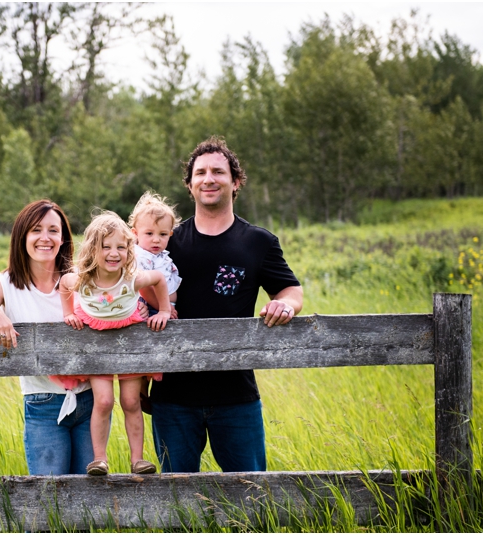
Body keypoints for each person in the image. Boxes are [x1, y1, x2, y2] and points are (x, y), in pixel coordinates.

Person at [147, 136, 303, 473]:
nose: (209, 178)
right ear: (189, 185)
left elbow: (290, 290)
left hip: (236, 396)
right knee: (176, 501)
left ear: (236, 181)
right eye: (200, 172)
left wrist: (285, 305)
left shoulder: (258, 242)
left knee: (251, 496)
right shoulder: (167, 242)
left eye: (218, 171)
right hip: (173, 396)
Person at [0, 200, 95, 476]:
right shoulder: (8, 284)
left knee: (89, 496)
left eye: (53, 230)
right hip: (42, 403)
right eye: (36, 230)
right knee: (48, 495)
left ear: (63, 238)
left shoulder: (80, 280)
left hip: (89, 402)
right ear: (23, 236)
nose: (45, 238)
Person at [55, 211, 171, 476]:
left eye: (121, 247)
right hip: (97, 346)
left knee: (131, 402)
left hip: (127, 345)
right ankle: (99, 459)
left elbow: (159, 279)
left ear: (129, 250)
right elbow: (63, 284)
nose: (113, 253)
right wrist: (68, 313)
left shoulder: (131, 278)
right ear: (92, 249)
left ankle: (138, 460)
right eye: (105, 247)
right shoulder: (82, 280)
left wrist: (163, 310)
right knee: (104, 401)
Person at [127, 191, 182, 414]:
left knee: (159, 347)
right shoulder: (138, 255)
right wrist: (164, 308)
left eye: (163, 234)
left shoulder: (164, 259)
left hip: (163, 308)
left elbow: (172, 285)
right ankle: (141, 388)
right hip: (145, 306)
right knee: (143, 347)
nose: (156, 239)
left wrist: (172, 307)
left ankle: (149, 387)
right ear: (135, 233)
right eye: (149, 233)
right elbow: (145, 287)